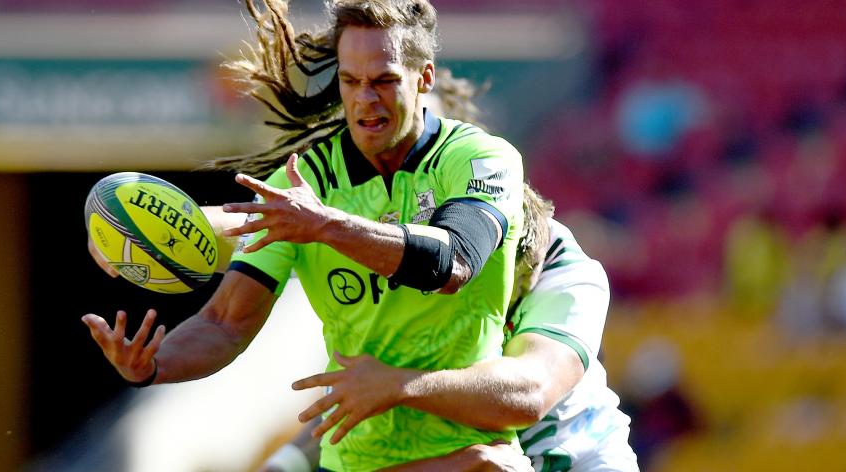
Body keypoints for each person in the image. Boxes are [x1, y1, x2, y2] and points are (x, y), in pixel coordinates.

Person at [81, 0, 527, 470]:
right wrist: (154, 367)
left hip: (465, 453)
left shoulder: (481, 159)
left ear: (425, 78)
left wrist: (325, 226)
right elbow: (225, 323)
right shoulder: (301, 181)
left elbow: (452, 262)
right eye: (351, 81)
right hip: (355, 457)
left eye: (384, 81)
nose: (364, 99)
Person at [259, 188, 638, 471]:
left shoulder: (570, 272)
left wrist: (397, 386)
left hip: (584, 460)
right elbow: (352, 421)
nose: (501, 310)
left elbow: (530, 394)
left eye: (515, 291)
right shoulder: (411, 282)